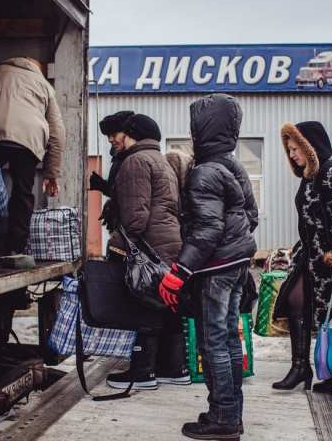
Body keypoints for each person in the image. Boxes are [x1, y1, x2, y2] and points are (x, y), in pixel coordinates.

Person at [159, 93, 258, 441]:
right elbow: (251, 217)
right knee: (229, 338)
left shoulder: (203, 173)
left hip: (215, 269)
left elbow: (208, 229)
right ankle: (230, 412)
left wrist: (179, 272)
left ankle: (223, 419)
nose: (190, 135)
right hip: (237, 264)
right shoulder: (234, 166)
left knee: (213, 342)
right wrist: (235, 248)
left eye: (193, 128)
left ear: (203, 130)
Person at [272, 121, 332, 393]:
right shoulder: (309, 178)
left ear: (310, 147)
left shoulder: (331, 174)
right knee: (295, 302)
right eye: (289, 150)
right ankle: (301, 366)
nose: (291, 155)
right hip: (309, 257)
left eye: (295, 149)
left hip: (329, 261)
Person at [103, 114, 190, 390]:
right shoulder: (162, 162)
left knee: (144, 305)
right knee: (167, 305)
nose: (113, 139)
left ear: (131, 135)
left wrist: (116, 245)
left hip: (149, 246)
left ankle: (142, 373)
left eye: (119, 135)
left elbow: (135, 217)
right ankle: (175, 369)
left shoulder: (134, 161)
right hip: (171, 244)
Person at [0, 56, 66, 256]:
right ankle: (16, 248)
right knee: (22, 192)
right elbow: (57, 131)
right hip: (27, 136)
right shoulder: (43, 84)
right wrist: (50, 173)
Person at [88, 110, 135, 232]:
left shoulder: (135, 159)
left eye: (114, 134)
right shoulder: (118, 158)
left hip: (129, 227)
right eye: (108, 135)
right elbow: (122, 190)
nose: (110, 139)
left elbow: (134, 196)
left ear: (128, 134)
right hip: (119, 223)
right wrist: (104, 186)